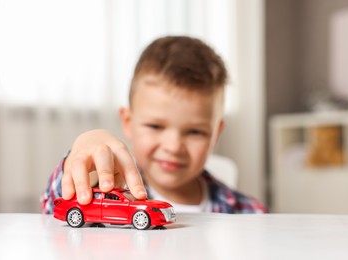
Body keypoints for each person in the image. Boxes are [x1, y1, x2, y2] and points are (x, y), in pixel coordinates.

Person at [41, 36, 266, 214]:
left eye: (195, 131)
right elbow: (54, 208)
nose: (174, 146)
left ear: (216, 134)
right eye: (156, 126)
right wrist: (80, 154)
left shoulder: (248, 213)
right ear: (128, 123)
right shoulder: (105, 193)